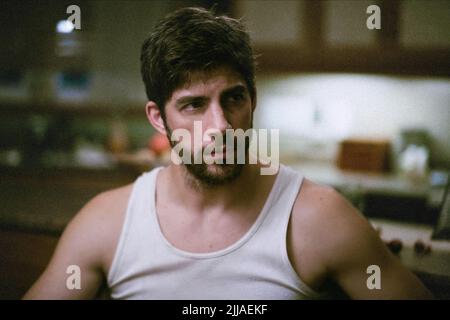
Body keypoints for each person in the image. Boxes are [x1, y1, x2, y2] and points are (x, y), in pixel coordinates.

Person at [24, 7, 432, 300]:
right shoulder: (107, 223)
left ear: (252, 99)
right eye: (194, 105)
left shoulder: (319, 218)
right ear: (157, 117)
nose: (221, 125)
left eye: (233, 98)